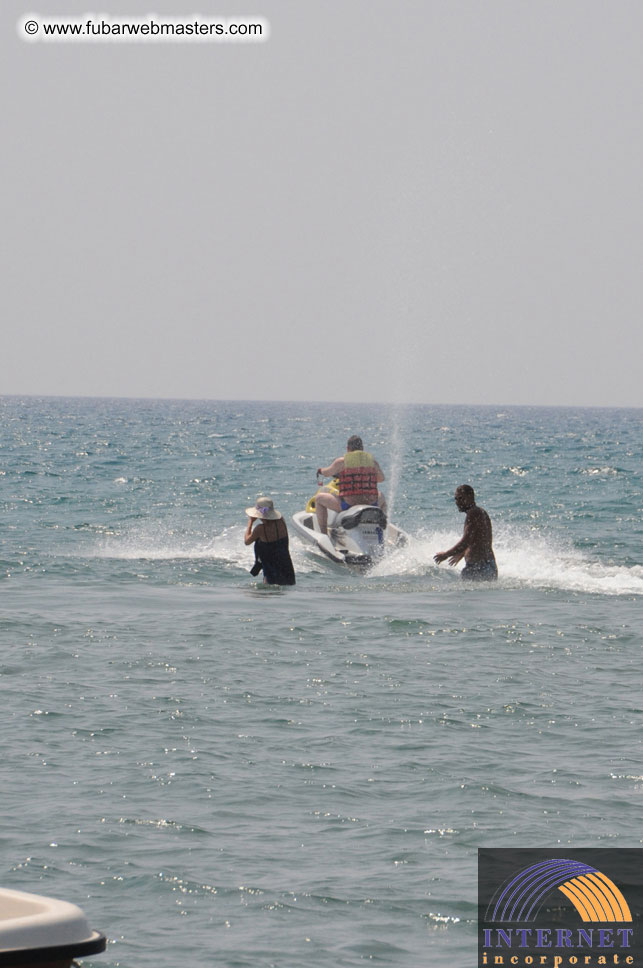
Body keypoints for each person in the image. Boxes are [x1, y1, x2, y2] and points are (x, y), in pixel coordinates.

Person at [315, 435, 386, 535]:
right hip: (371, 503)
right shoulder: (372, 462)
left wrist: (320, 471)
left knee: (319, 498)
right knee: (381, 496)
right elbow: (381, 479)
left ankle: (323, 534)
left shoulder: (342, 462)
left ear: (348, 449)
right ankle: (382, 529)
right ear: (362, 449)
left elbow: (327, 472)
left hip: (349, 504)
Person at [433, 485, 498, 581]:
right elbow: (478, 539)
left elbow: (466, 541)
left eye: (461, 498)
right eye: (456, 499)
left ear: (470, 497)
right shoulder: (481, 512)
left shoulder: (473, 513)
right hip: (489, 565)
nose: (457, 502)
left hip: (478, 568)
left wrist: (446, 554)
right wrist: (462, 553)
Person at [244, 496, 296, 585]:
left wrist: (250, 522)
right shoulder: (281, 521)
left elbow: (247, 541)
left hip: (271, 571)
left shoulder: (260, 529)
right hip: (287, 566)